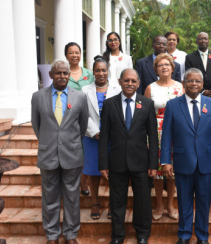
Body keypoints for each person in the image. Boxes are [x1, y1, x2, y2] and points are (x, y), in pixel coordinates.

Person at [161, 68, 211, 244]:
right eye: (190, 80)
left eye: (197, 81)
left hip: (206, 162)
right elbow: (167, 136)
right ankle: (184, 235)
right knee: (184, 202)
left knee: (204, 202)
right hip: (183, 162)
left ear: (202, 84)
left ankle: (202, 236)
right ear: (183, 83)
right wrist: (166, 161)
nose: (194, 84)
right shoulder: (173, 105)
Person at [31, 59, 89, 244]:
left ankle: (71, 234)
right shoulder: (38, 96)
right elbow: (36, 125)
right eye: (58, 73)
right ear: (50, 75)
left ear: (69, 75)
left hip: (72, 154)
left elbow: (83, 125)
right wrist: (50, 142)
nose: (62, 76)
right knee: (49, 197)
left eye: (65, 73)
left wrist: (69, 142)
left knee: (72, 198)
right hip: (48, 154)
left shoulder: (79, 97)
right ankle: (52, 235)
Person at [98, 68, 158, 244]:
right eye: (126, 80)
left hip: (141, 162)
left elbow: (153, 136)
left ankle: (142, 234)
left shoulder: (147, 104)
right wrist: (103, 163)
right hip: (116, 162)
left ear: (139, 83)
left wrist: (153, 163)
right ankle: (117, 236)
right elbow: (105, 136)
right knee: (116, 202)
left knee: (143, 202)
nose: (130, 84)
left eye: (133, 81)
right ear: (120, 81)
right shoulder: (109, 104)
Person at [144, 53, 184, 221]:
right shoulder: (150, 88)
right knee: (158, 171)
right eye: (161, 65)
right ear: (156, 69)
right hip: (156, 132)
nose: (164, 67)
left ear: (173, 68)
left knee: (173, 170)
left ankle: (170, 203)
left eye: (167, 64)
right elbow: (145, 114)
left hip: (176, 133)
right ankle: (159, 203)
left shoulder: (180, 87)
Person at [81, 56, 117, 220]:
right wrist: (95, 131)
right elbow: (82, 114)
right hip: (91, 137)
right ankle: (95, 202)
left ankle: (112, 203)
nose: (101, 73)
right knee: (93, 171)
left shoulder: (117, 88)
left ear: (108, 71)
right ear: (93, 72)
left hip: (113, 137)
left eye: (104, 70)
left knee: (113, 171)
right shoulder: (84, 90)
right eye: (97, 70)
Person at [65, 41, 94, 197]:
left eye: (77, 52)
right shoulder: (63, 73)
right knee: (70, 153)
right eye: (71, 52)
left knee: (85, 153)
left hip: (86, 118)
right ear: (66, 56)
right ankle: (71, 184)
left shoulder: (88, 74)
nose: (74, 55)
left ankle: (84, 183)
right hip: (68, 119)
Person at [185, 32, 211, 97]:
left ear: (208, 41)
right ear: (196, 41)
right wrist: (202, 91)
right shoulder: (190, 58)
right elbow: (189, 76)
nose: (203, 41)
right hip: (196, 93)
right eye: (200, 39)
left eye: (205, 39)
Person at [102, 32, 133, 97]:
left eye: (115, 39)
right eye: (110, 40)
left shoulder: (127, 58)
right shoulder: (103, 58)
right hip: (107, 89)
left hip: (123, 89)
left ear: (119, 41)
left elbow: (130, 75)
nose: (113, 42)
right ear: (107, 43)